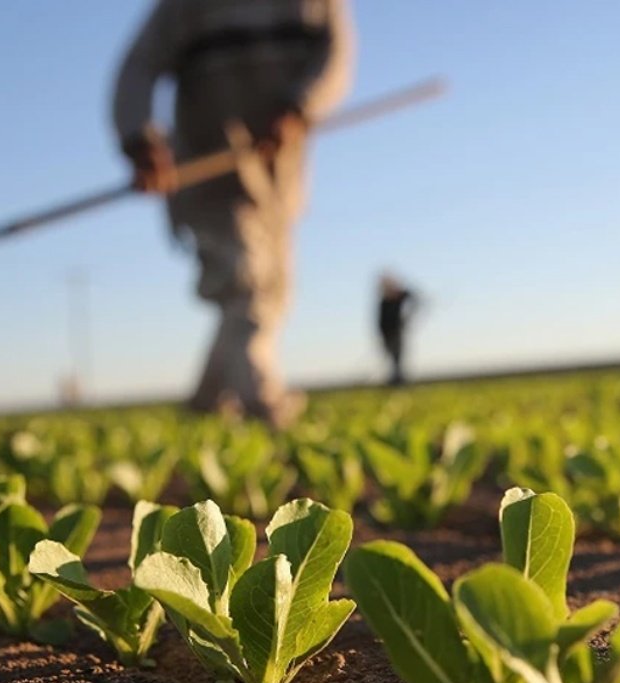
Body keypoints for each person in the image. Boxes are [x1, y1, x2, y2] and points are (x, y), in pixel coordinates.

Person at [112, 0, 355, 427]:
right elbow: (138, 68)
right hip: (208, 172)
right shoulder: (185, 9)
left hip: (277, 177)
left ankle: (206, 402)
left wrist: (300, 107)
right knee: (248, 283)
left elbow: (335, 57)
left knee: (272, 291)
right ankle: (264, 402)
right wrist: (138, 138)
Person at [376, 272, 420, 386]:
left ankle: (398, 381)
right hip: (387, 335)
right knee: (393, 359)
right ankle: (395, 380)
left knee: (398, 358)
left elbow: (415, 299)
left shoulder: (400, 295)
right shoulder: (384, 302)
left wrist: (408, 315)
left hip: (397, 333)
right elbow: (381, 322)